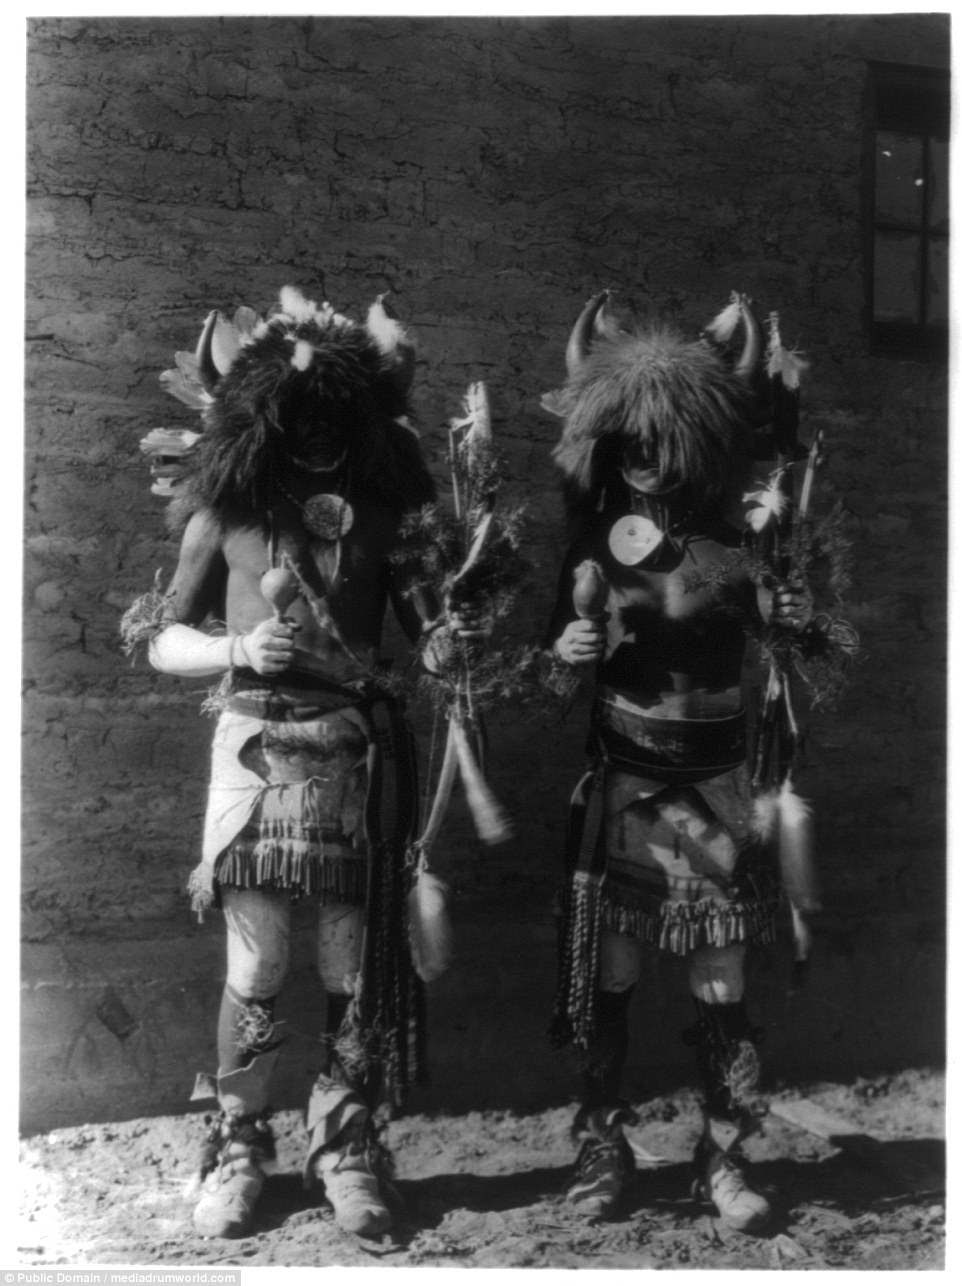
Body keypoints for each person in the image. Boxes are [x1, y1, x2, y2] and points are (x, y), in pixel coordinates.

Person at [125, 286, 475, 1241]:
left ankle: (347, 1140)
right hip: (252, 748)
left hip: (353, 752)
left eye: (334, 419)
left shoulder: (385, 518)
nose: (317, 435)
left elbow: (427, 629)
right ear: (265, 413)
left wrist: (447, 644)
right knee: (260, 954)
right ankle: (238, 1140)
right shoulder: (227, 511)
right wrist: (238, 651)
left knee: (349, 959)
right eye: (300, 416)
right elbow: (160, 641)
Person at [542, 290, 811, 1233]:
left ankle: (725, 1157)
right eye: (637, 436)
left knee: (721, 980)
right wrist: (566, 655)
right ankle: (600, 1146)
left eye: (670, 435)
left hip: (719, 789)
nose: (652, 455)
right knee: (610, 973)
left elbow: (810, 651)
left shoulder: (741, 544)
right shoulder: (596, 546)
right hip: (625, 786)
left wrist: (795, 612)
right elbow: (547, 668)